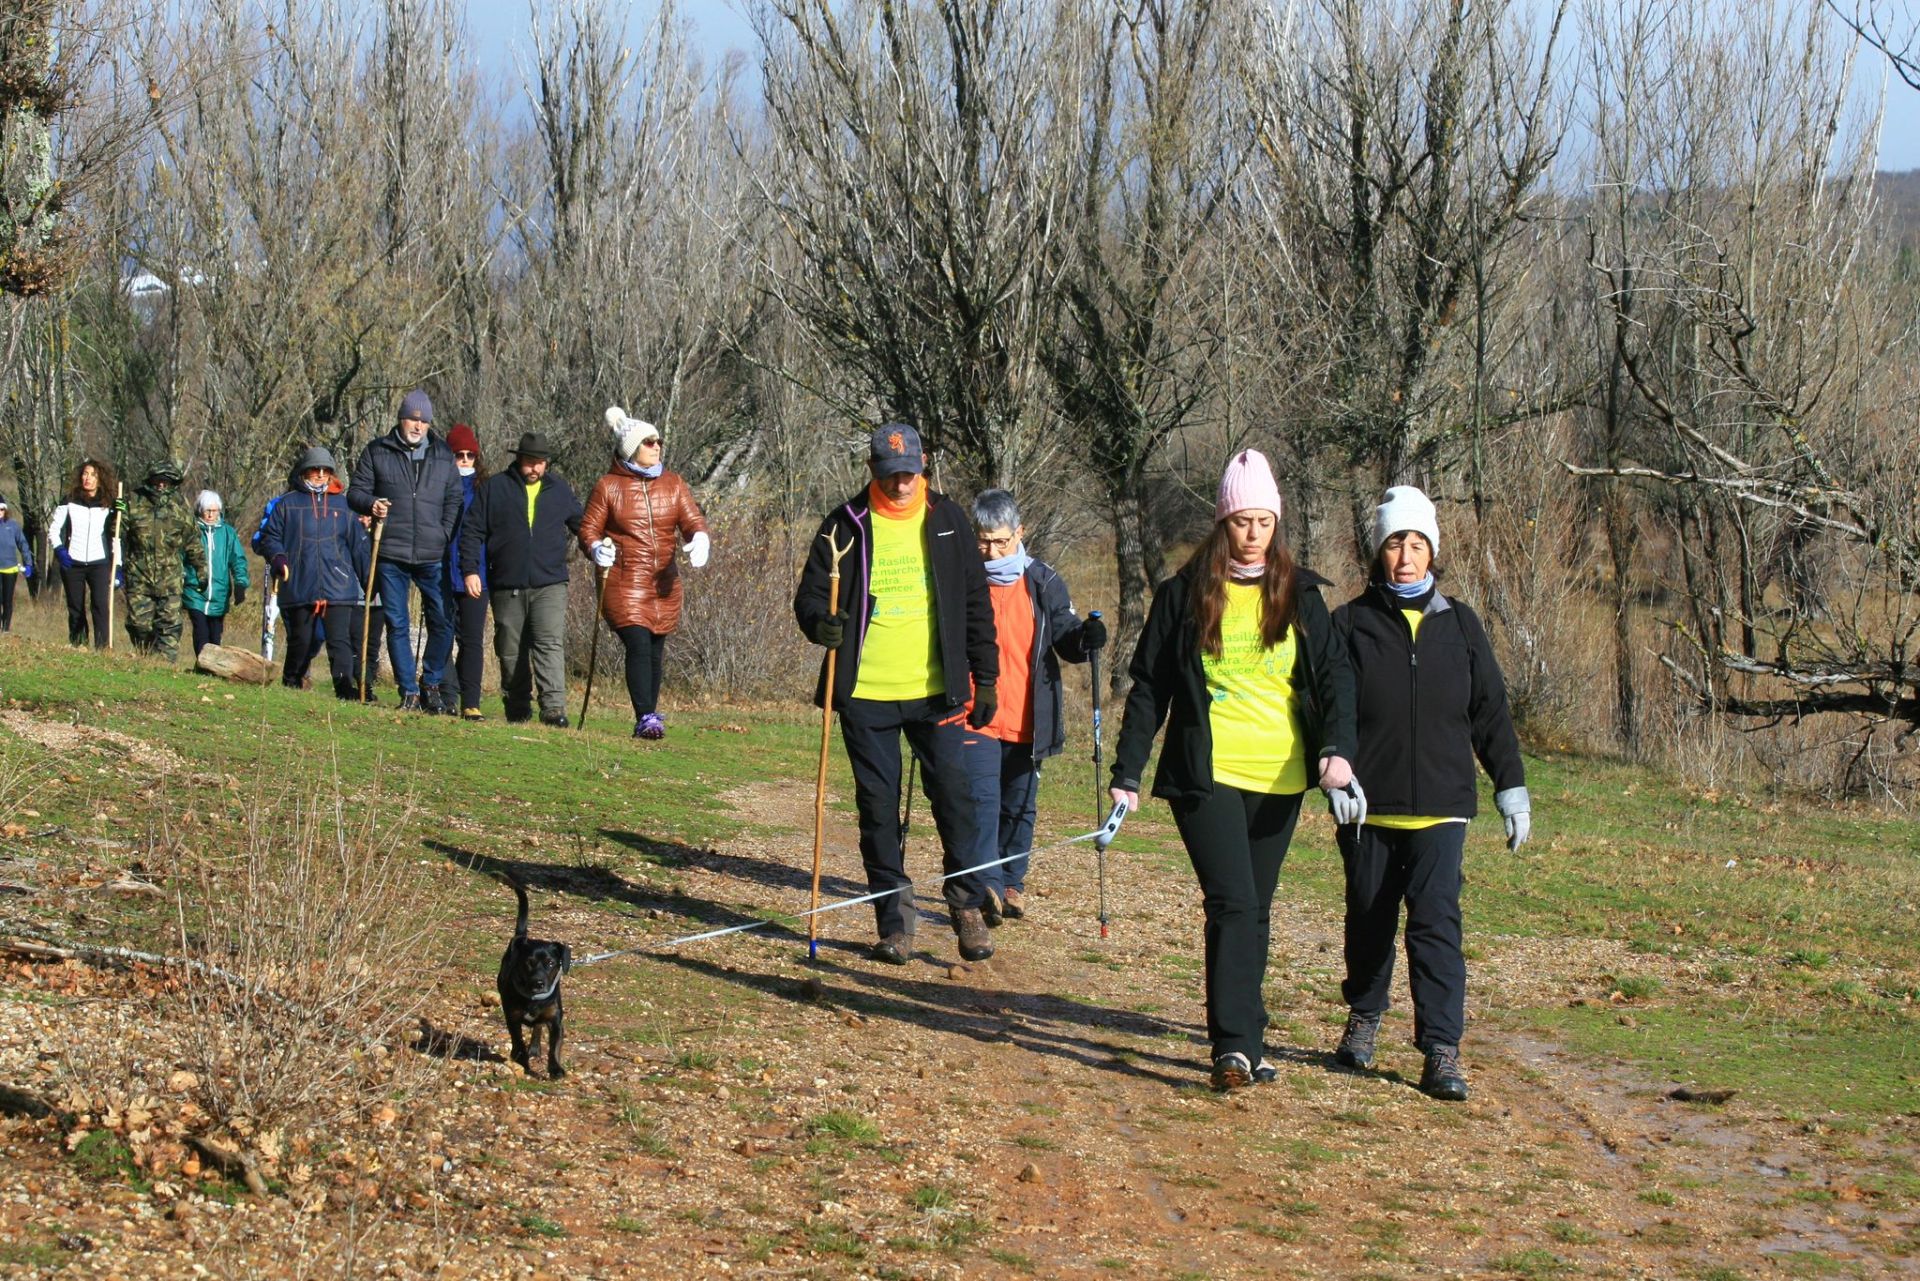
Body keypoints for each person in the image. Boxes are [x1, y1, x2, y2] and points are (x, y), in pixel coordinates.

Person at [1108, 449, 1359, 1092]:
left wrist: (1337, 751)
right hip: (1207, 773)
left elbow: (1333, 681)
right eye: (1243, 521)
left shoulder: (1301, 594)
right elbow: (1148, 688)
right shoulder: (1183, 595)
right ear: (1223, 523)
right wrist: (1127, 772)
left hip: (1279, 777)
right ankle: (1231, 1047)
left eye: (1265, 522)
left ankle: (1248, 1040)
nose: (1254, 534)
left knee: (1256, 909)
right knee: (1233, 902)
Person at [1329, 485, 1530, 1103]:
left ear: (1433, 552)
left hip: (1444, 806)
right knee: (1369, 919)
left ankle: (1441, 1048)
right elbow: (1331, 708)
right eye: (1395, 543)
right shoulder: (1349, 625)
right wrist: (1334, 773)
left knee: (1436, 926)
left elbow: (1489, 710)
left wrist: (1511, 786)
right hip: (1369, 805)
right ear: (1377, 553)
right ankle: (1364, 1018)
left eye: (1417, 543)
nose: (1406, 555)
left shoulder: (1461, 624)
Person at [793, 423, 1000, 965]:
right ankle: (894, 921)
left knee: (956, 800)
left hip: (938, 693)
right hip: (866, 694)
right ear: (872, 472)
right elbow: (811, 597)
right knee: (878, 809)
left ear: (924, 465)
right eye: (890, 476)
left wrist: (989, 678)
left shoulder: (949, 520)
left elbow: (976, 604)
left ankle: (966, 904)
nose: (901, 485)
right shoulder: (845, 525)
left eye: (909, 473)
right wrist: (822, 625)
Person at [964, 489, 1105, 920]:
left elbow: (1064, 635)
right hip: (976, 713)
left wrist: (1086, 639)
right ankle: (986, 884)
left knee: (1020, 805)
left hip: (1029, 716)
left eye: (1000, 542)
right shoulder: (963, 576)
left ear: (1019, 533)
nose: (990, 551)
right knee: (982, 801)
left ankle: (1011, 884)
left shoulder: (1042, 581)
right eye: (983, 541)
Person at [579, 410, 711, 740]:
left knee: (654, 646)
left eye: (658, 441)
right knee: (638, 642)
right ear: (631, 449)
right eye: (649, 442)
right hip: (625, 581)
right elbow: (588, 529)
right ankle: (645, 715)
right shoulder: (608, 487)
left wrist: (700, 538)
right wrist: (596, 548)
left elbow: (692, 520)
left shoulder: (674, 483)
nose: (657, 446)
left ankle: (649, 719)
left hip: (664, 583)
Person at [348, 388, 462, 712]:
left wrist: (443, 533)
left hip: (432, 553)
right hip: (390, 552)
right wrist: (372, 503)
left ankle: (432, 682)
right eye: (413, 419)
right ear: (401, 419)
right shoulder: (377, 451)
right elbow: (355, 492)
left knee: (442, 621)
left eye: (423, 421)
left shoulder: (442, 455)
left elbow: (454, 499)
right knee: (397, 623)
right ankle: (409, 692)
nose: (418, 426)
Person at [461, 432, 584, 726]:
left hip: (550, 582)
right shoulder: (495, 488)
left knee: (548, 642)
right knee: (509, 647)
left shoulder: (559, 490)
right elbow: (472, 530)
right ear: (519, 459)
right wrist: (470, 570)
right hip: (507, 583)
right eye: (530, 462)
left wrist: (598, 547)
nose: (535, 469)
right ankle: (517, 707)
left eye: (541, 463)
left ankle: (554, 709)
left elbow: (582, 524)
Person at [259, 447, 369, 697]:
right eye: (314, 470)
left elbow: (359, 547)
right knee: (302, 640)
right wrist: (278, 558)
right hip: (299, 583)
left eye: (325, 470)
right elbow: (270, 537)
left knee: (339, 642)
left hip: (339, 584)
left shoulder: (345, 506)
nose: (320, 475)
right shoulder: (288, 504)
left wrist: (370, 582)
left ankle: (344, 690)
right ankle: (291, 682)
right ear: (303, 472)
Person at [123, 459, 202, 662]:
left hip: (170, 578)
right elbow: (115, 533)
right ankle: (147, 657)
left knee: (169, 625)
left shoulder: (180, 507)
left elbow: (193, 541)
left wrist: (202, 570)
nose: (161, 486)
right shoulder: (134, 502)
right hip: (139, 575)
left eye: (166, 482)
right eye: (158, 481)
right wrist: (115, 515)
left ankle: (165, 666)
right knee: (139, 624)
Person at [444, 423, 489, 720]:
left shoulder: (485, 489)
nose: (464, 460)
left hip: (477, 575)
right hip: (441, 571)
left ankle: (470, 701)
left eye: (469, 455)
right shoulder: (438, 485)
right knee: (442, 635)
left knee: (472, 640)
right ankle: (445, 695)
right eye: (458, 454)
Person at [48, 458, 118, 648]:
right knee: (76, 607)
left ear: (100, 478)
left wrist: (117, 565)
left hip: (99, 562)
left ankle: (103, 647)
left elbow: (116, 536)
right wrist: (60, 550)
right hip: (73, 561)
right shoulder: (69, 500)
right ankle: (79, 645)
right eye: (85, 474)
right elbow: (54, 530)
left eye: (93, 475)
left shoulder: (109, 503)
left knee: (100, 606)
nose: (88, 478)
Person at [181, 490, 250, 656]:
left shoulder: (228, 533)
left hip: (220, 592)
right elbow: (179, 557)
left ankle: (214, 667)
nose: (211, 515)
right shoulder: (191, 531)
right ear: (200, 510)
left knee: (215, 634)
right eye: (207, 510)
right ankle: (202, 663)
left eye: (214, 511)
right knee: (200, 629)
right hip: (195, 590)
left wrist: (241, 583)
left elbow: (238, 559)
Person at [0, 499, 32, 631]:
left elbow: (23, 544)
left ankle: (5, 629)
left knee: (7, 600)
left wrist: (28, 563)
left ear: (5, 510)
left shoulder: (13, 526)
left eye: (1, 509)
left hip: (10, 569)